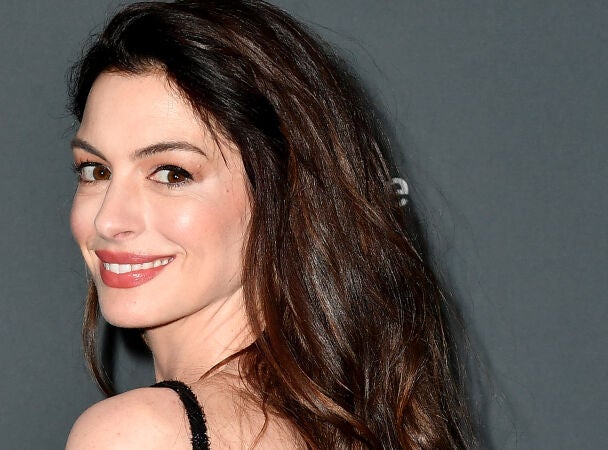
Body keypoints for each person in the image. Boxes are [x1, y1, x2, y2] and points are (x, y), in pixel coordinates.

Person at [64, 1, 476, 448]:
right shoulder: (343, 426)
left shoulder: (140, 435)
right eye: (95, 171)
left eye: (172, 174)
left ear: (280, 195)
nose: (108, 219)